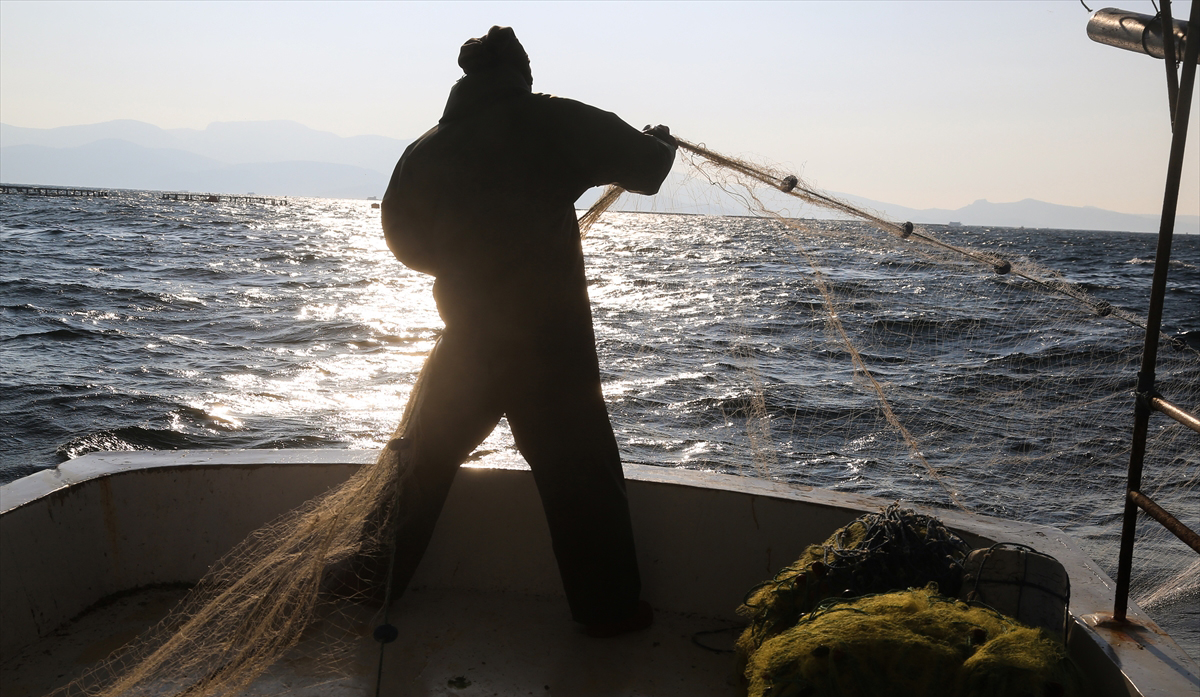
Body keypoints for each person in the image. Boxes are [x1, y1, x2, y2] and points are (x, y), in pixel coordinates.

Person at [380, 26, 676, 635]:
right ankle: (607, 612)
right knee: (583, 479)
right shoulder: (547, 120)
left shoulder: (426, 149)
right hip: (549, 349)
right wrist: (659, 142)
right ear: (521, 74)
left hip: (467, 341)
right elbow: (645, 169)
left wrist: (465, 257)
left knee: (420, 464)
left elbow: (401, 241)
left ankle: (367, 583)